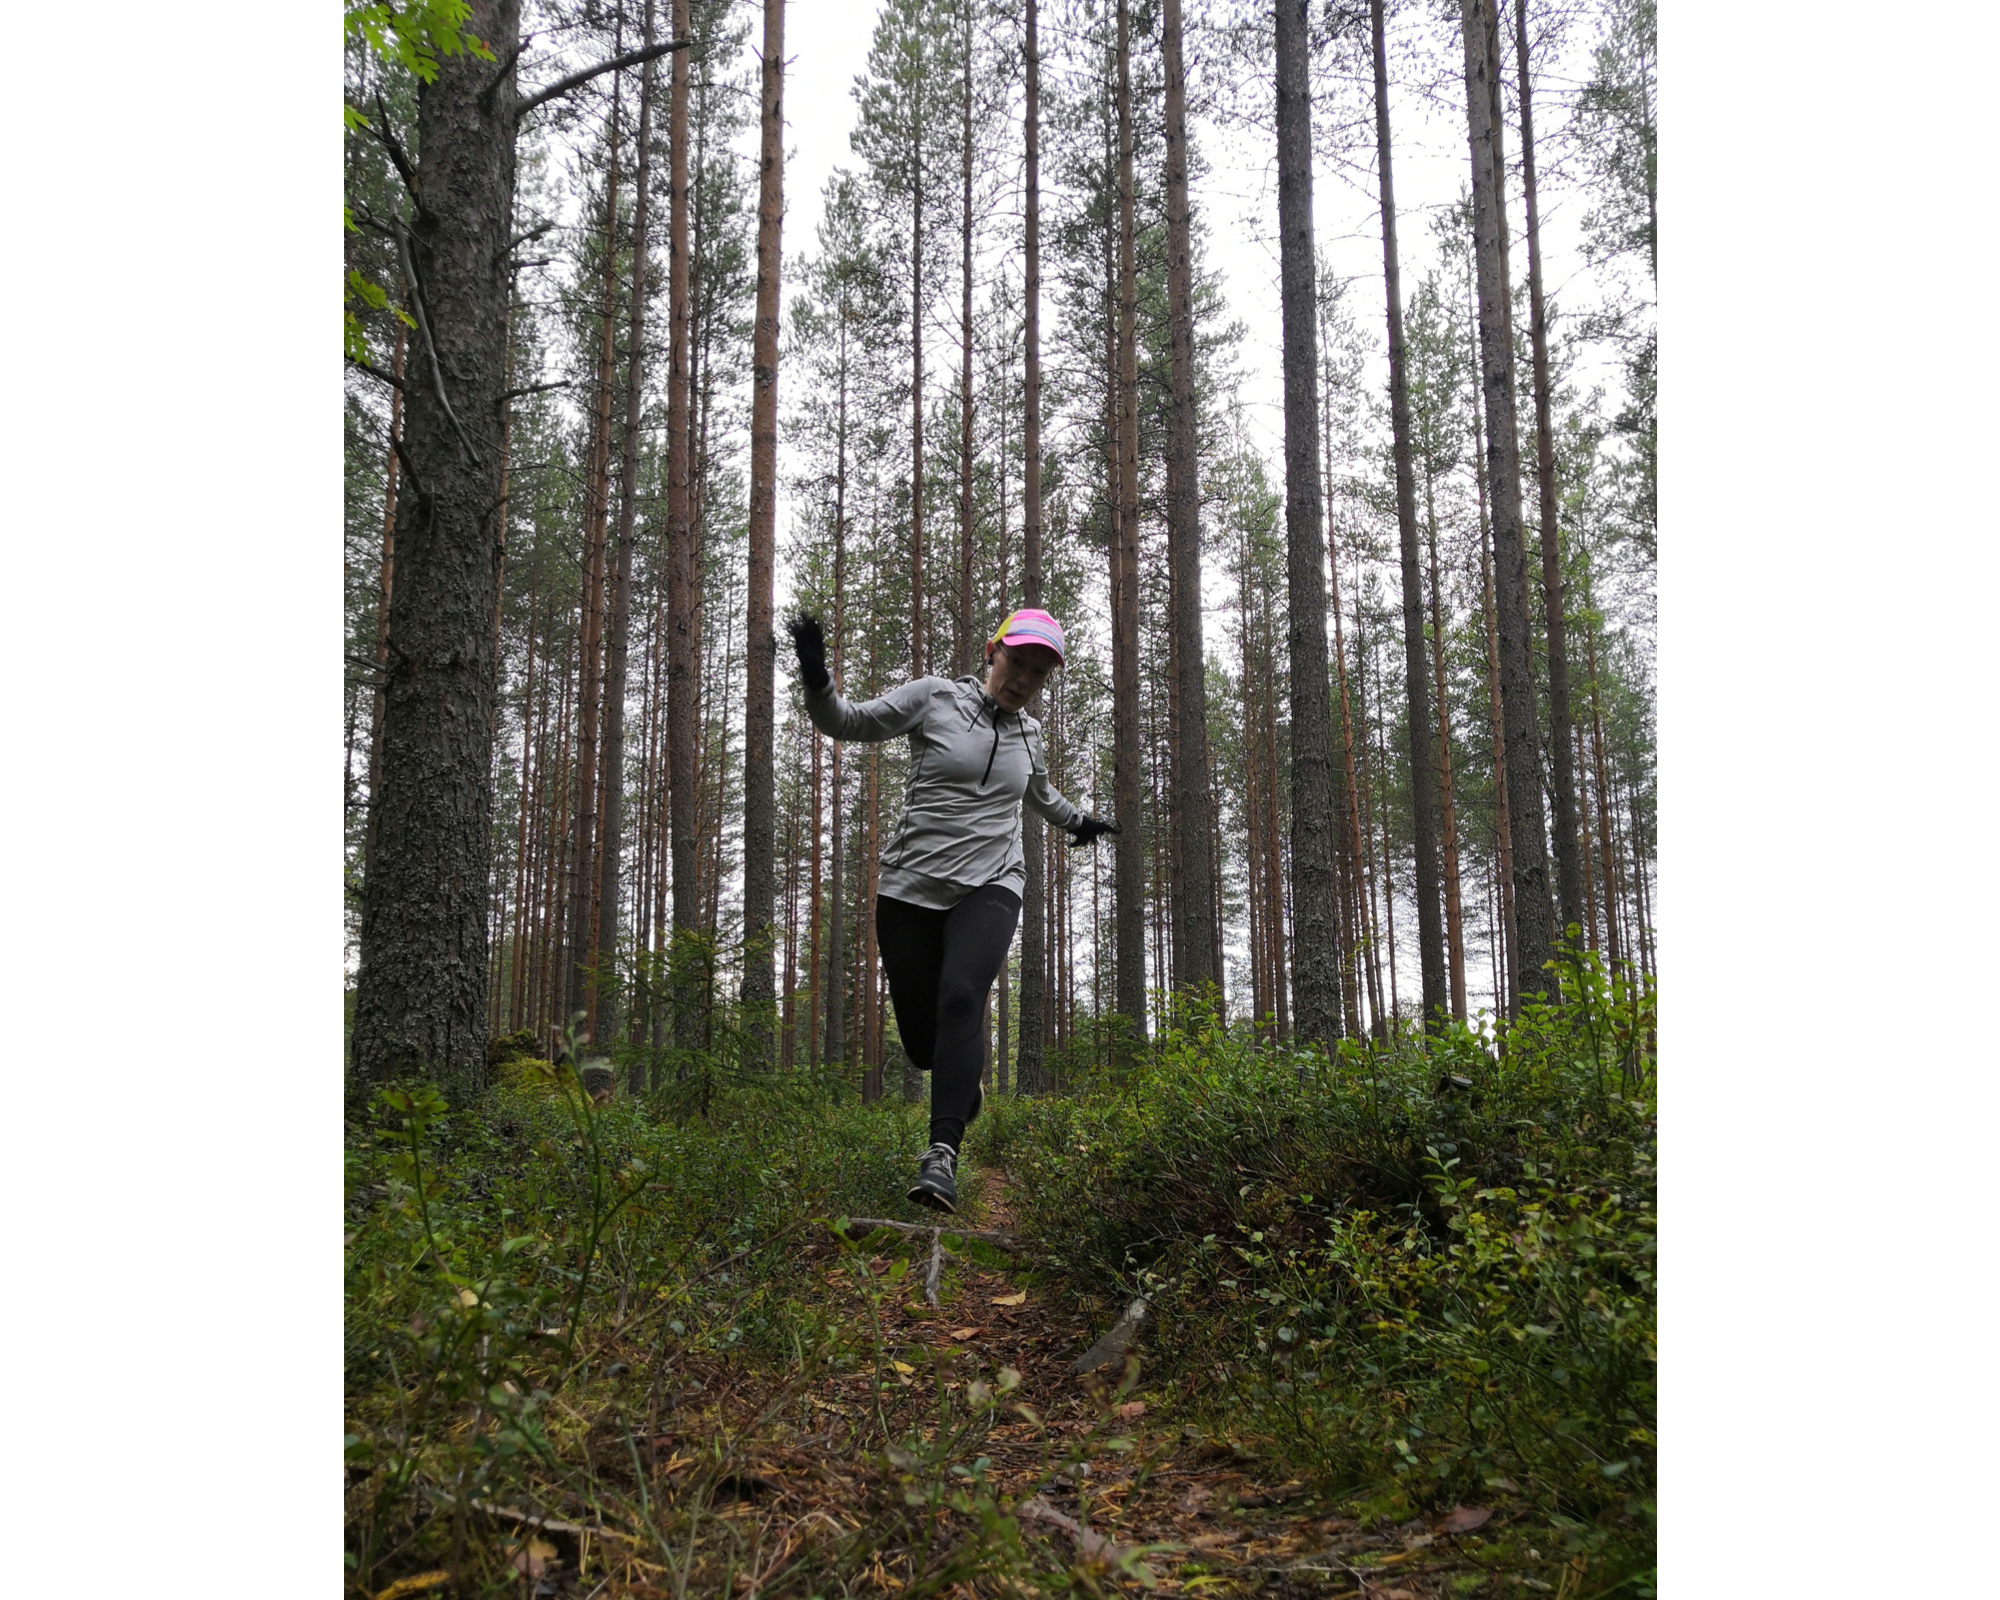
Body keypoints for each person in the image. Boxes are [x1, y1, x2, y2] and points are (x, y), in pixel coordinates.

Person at [789, 607, 1116, 1213]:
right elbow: (846, 721)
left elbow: (1040, 793)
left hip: (992, 882)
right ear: (993, 652)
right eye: (1017, 662)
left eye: (1038, 673)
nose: (1023, 679)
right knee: (922, 1046)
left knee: (963, 995)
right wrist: (816, 675)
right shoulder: (934, 698)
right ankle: (963, 1083)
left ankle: (941, 1155)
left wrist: (1080, 823)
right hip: (910, 887)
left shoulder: (1029, 735)